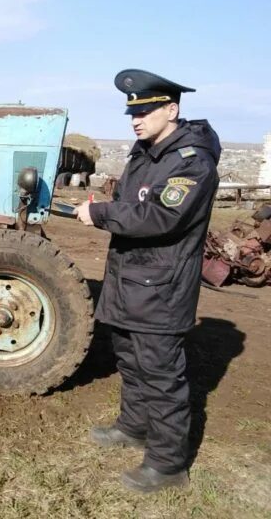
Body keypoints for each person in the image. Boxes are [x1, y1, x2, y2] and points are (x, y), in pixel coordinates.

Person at [74, 69, 221, 493]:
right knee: (130, 359)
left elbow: (161, 216)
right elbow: (131, 204)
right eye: (132, 112)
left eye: (147, 111)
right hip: (129, 279)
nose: (136, 120)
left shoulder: (192, 161)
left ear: (172, 110)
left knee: (160, 373)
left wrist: (100, 213)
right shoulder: (144, 153)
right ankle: (134, 426)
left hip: (162, 287)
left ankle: (168, 464)